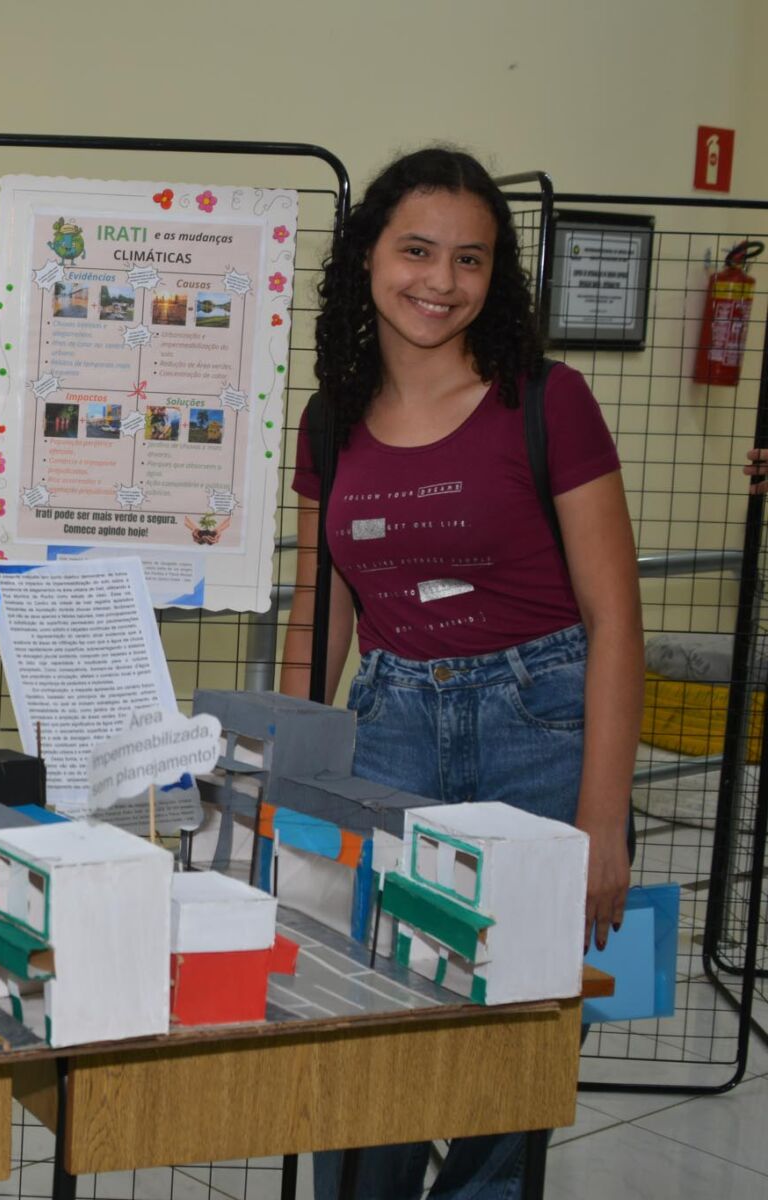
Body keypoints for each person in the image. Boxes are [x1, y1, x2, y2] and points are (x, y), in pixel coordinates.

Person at [280, 147, 641, 1200]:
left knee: (513, 1053)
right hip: (388, 729)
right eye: (418, 251)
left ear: (497, 275)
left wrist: (602, 821)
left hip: (543, 730)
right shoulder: (330, 420)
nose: (441, 281)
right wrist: (281, 774)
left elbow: (616, 621)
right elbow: (322, 607)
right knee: (369, 1030)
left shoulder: (547, 401)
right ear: (368, 258)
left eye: (470, 259)